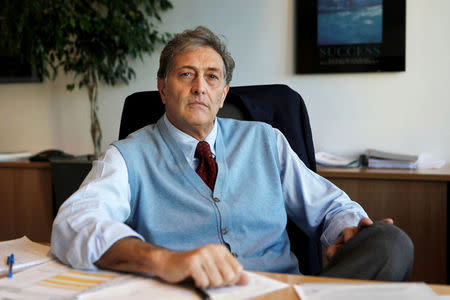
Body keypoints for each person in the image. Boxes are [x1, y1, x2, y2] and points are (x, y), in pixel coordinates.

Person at [51, 26, 413, 289]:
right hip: (189, 294)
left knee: (390, 242)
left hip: (283, 293)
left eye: (211, 77)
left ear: (223, 94)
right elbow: (74, 224)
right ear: (163, 88)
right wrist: (163, 260)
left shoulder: (265, 141)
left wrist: (347, 230)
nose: (199, 87)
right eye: (186, 75)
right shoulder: (127, 156)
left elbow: (330, 206)